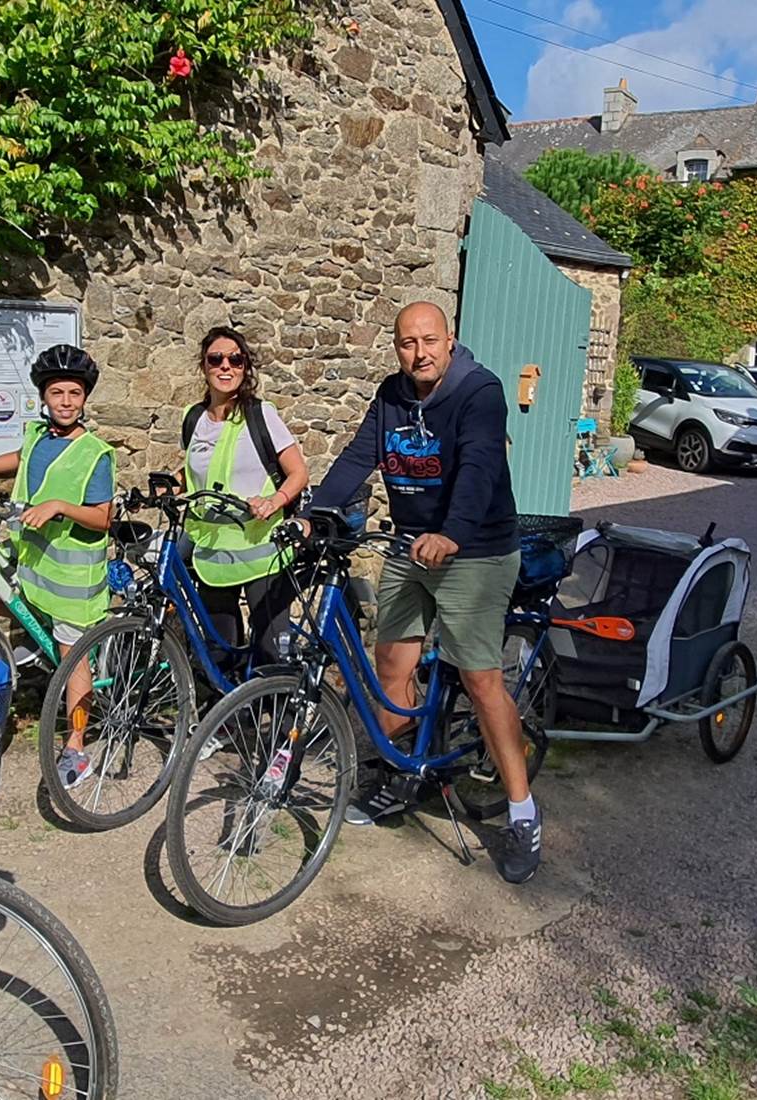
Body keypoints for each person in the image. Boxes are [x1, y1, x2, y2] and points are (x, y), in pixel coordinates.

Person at [306, 301, 541, 885]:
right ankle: (401, 775)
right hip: (409, 546)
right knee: (393, 664)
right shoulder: (391, 395)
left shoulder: (479, 391)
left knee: (480, 679)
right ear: (396, 348)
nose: (420, 353)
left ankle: (522, 812)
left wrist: (452, 533)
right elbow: (358, 457)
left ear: (449, 340)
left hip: (476, 549)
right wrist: (315, 513)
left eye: (429, 341)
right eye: (408, 344)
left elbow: (480, 468)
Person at [0, 344, 114, 790]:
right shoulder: (38, 435)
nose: (66, 402)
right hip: (34, 563)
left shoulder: (95, 453)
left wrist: (60, 506)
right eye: (57, 393)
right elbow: (21, 458)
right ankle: (34, 642)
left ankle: (77, 746)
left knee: (73, 660)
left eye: (74, 393)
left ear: (85, 398)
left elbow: (103, 517)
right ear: (44, 397)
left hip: (71, 576)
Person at [182, 325, 309, 667]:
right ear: (204, 366)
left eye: (235, 360)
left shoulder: (260, 414)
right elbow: (199, 474)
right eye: (216, 359)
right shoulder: (193, 419)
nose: (226, 366)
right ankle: (229, 703)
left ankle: (280, 701)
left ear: (245, 367)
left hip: (261, 551)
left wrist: (274, 501)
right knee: (220, 652)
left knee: (271, 653)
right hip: (213, 554)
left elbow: (298, 473)